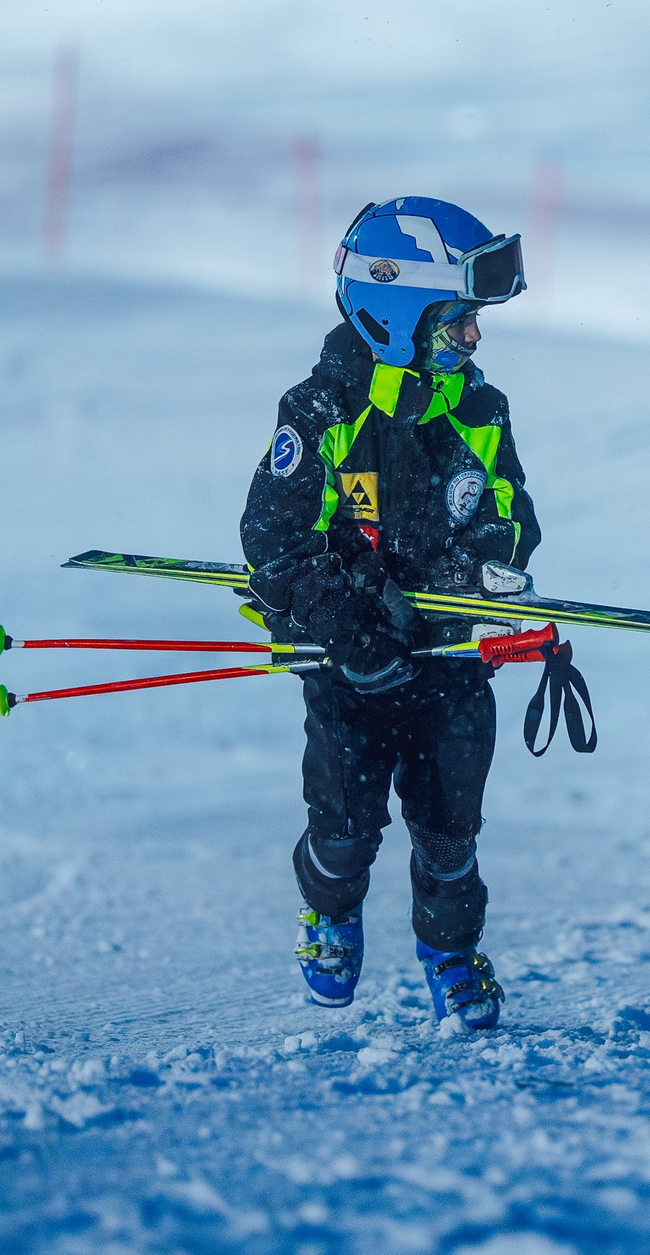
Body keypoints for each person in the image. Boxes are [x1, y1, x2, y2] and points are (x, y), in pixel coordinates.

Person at [239, 197, 537, 1027]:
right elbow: (273, 538)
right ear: (397, 317)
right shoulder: (321, 411)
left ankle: (450, 951)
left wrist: (476, 567)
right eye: (456, 323)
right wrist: (346, 613)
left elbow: (513, 516)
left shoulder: (478, 411)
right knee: (344, 828)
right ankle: (328, 913)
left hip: (446, 660)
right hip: (348, 670)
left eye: (472, 322)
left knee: (451, 833)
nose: (472, 339)